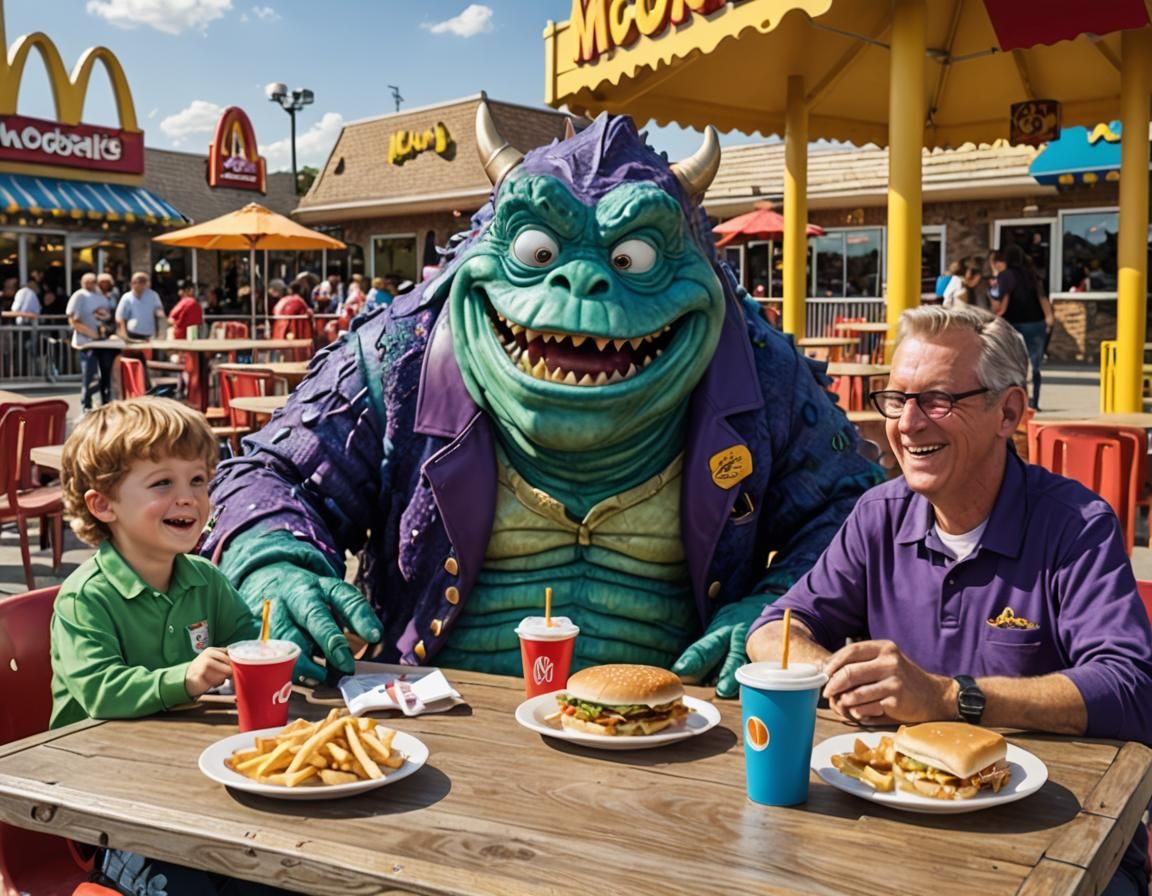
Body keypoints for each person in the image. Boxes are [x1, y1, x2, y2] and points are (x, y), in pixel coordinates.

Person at [204, 110, 881, 699]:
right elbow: (266, 475)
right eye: (539, 251)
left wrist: (778, 612)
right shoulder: (398, 356)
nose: (581, 280)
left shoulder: (760, 372)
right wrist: (276, 562)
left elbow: (855, 507)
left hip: (672, 729)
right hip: (434, 719)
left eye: (632, 256)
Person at [747, 305, 1152, 895]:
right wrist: (837, 675)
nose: (907, 424)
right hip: (897, 822)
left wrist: (944, 697)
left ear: (1007, 412)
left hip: (1061, 834)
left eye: (937, 400)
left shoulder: (1075, 524)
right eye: (897, 398)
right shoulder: (879, 515)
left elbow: (1132, 688)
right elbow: (775, 627)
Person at [51, 397, 291, 896]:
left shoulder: (204, 578)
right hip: (107, 800)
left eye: (198, 480)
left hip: (192, 785)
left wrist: (280, 646)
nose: (189, 498)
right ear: (103, 505)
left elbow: (250, 639)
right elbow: (98, 691)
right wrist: (186, 677)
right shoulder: (85, 597)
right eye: (163, 483)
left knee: (280, 877)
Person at [992, 244, 1053, 410]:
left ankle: (1020, 401)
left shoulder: (1005, 276)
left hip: (1014, 323)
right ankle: (1035, 401)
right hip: (1036, 322)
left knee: (1015, 364)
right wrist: (1049, 317)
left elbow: (1002, 300)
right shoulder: (1033, 275)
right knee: (1035, 364)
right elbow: (1042, 296)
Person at [66, 273, 117, 412]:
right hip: (86, 342)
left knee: (105, 374)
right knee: (89, 374)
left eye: (93, 281)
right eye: (87, 281)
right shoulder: (79, 295)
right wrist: (91, 333)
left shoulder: (102, 297)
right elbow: (72, 320)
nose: (91, 283)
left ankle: (105, 403)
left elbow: (107, 317)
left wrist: (103, 327)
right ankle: (86, 405)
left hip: (102, 342)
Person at [115, 272, 165, 341]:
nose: (140, 284)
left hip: (149, 334)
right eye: (137, 282)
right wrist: (124, 335)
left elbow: (159, 310)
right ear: (132, 283)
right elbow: (120, 318)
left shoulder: (153, 295)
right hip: (132, 334)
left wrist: (159, 313)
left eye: (143, 282)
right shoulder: (126, 297)